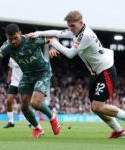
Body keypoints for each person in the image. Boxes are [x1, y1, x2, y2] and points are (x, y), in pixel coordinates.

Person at [27, 10, 125, 138]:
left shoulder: (86, 35)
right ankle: (118, 130)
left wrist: (54, 43)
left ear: (81, 23)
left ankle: (120, 126)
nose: (70, 29)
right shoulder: (77, 31)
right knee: (95, 107)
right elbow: (57, 33)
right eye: (69, 26)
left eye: (72, 26)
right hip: (96, 73)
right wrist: (38, 33)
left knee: (98, 106)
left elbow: (70, 54)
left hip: (106, 71)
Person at [0, 23, 60, 138]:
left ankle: (52, 117)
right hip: (27, 75)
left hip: (42, 73)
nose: (14, 41)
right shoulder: (6, 46)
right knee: (24, 106)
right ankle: (38, 128)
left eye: (16, 38)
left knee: (35, 103)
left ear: (20, 34)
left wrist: (53, 47)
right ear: (6, 37)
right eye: (11, 39)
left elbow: (52, 38)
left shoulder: (31, 39)